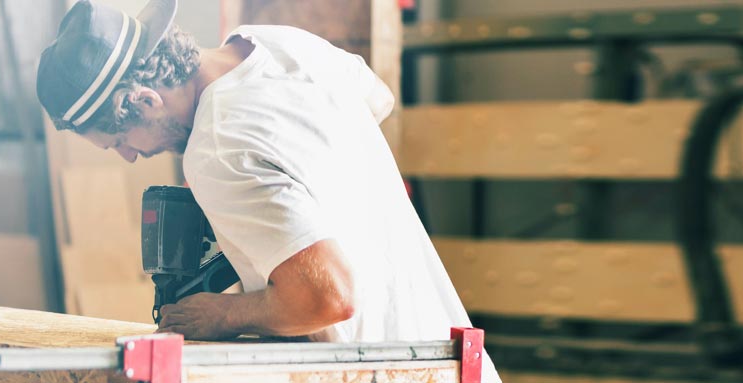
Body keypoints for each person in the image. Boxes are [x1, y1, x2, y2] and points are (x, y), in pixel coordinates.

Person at [35, 1, 498, 380]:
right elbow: (378, 99)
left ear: (145, 101)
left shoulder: (216, 148)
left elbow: (328, 297)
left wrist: (220, 314)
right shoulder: (276, 44)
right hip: (446, 353)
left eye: (120, 141)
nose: (129, 157)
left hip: (375, 369)